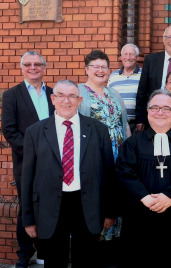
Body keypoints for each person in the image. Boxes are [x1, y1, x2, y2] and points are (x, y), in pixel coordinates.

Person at [20, 80, 117, 268]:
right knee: (55, 261)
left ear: (79, 100)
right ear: (53, 99)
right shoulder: (35, 132)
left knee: (86, 261)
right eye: (61, 96)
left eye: (72, 96)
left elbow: (109, 174)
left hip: (87, 205)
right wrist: (28, 219)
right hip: (50, 207)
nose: (67, 100)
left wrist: (110, 212)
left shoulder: (98, 130)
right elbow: (27, 179)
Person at [116, 90, 171, 268]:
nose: (160, 112)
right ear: (147, 111)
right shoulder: (133, 143)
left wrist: (170, 196)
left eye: (166, 108)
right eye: (154, 107)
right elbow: (125, 172)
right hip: (140, 217)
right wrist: (146, 198)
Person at [1, 51, 54, 268]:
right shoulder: (12, 95)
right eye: (28, 64)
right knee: (26, 207)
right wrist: (35, 152)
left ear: (44, 67)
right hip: (27, 162)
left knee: (51, 205)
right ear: (22, 67)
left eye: (37, 64)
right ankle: (23, 254)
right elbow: (9, 130)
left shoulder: (53, 93)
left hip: (54, 162)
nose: (33, 68)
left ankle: (46, 250)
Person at [78, 49, 130, 162]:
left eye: (104, 67)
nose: (100, 70)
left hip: (119, 154)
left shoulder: (114, 93)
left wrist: (129, 149)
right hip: (93, 154)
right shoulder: (78, 92)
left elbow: (125, 124)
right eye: (96, 67)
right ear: (86, 69)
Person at [108, 43, 142, 133]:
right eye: (125, 54)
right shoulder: (113, 75)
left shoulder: (144, 74)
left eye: (131, 54)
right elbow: (108, 97)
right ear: (121, 57)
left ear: (137, 57)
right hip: (117, 124)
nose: (128, 57)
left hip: (137, 125)